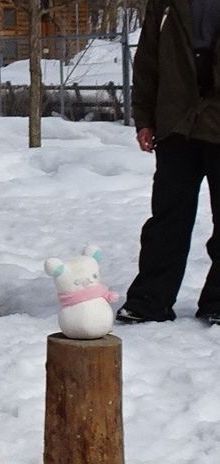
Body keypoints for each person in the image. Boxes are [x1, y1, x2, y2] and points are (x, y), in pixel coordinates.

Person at [119, 0, 220, 326]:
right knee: (168, 218)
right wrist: (144, 118)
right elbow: (147, 59)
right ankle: (150, 302)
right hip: (177, 120)